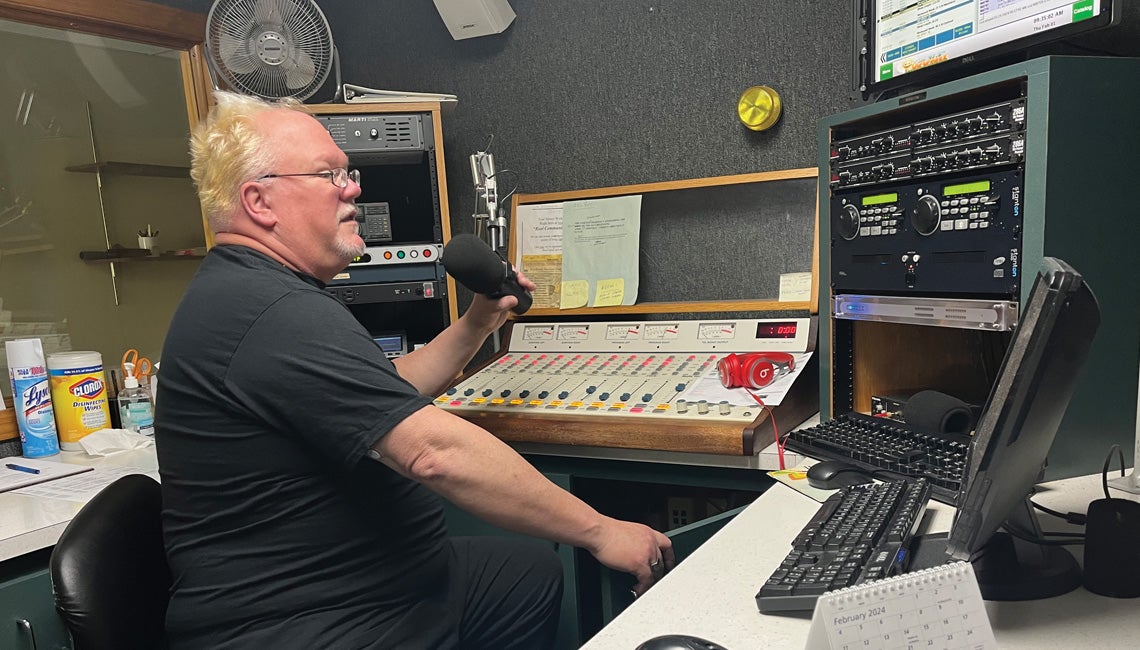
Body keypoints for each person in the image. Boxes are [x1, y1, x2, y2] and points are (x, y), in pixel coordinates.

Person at [154, 90, 673, 649]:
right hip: (305, 620)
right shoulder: (272, 313)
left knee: (526, 574)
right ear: (260, 201)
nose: (353, 187)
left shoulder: (259, 292)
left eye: (347, 172)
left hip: (374, 583)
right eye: (329, 174)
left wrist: (478, 322)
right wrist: (601, 530)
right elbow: (435, 453)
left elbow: (387, 394)